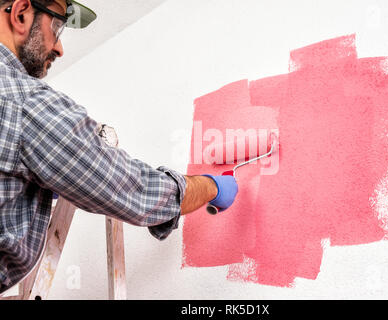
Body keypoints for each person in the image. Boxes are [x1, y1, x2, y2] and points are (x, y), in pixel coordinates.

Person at [0, 0, 238, 294]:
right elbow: (134, 190)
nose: (60, 48)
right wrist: (211, 186)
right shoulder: (26, 104)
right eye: (57, 26)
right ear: (21, 13)